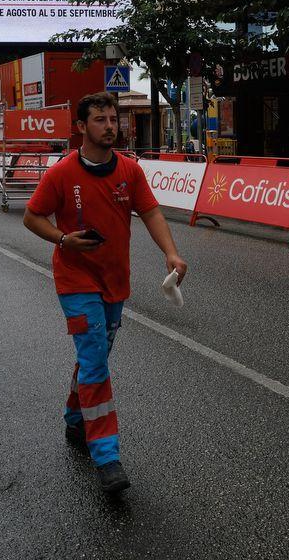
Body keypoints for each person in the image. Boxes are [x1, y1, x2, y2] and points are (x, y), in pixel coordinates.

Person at [23, 91, 188, 494]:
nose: (110, 126)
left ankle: (76, 416)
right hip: (76, 283)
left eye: (113, 119)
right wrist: (63, 240)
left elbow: (150, 212)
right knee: (96, 359)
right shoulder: (61, 173)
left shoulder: (129, 171)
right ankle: (107, 457)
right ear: (81, 127)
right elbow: (32, 217)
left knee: (95, 355)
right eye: (100, 119)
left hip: (116, 282)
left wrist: (171, 253)